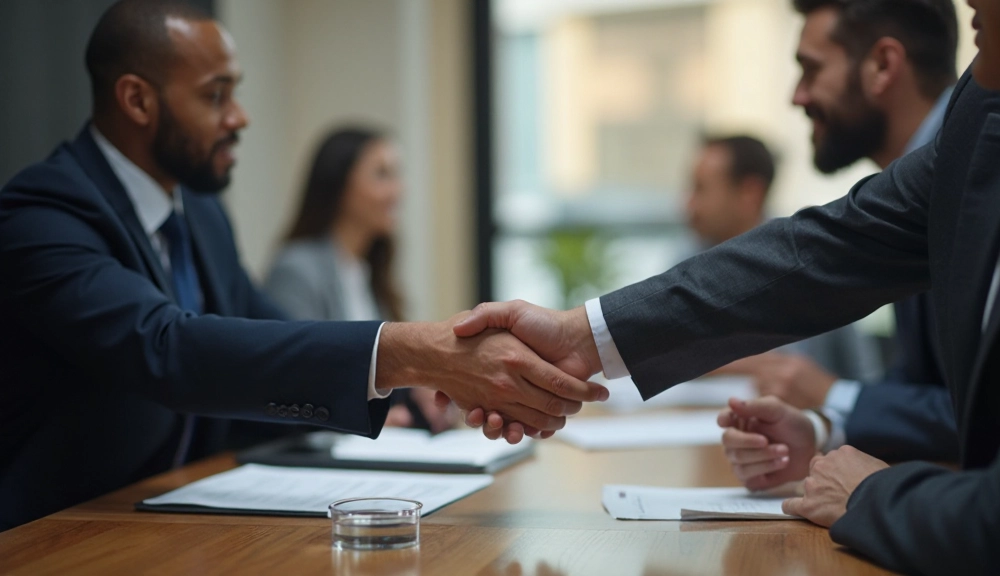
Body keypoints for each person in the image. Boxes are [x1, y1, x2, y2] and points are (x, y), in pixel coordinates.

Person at [448, 0, 1000, 571]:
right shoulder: (983, 107)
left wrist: (869, 493)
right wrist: (582, 335)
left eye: (810, 68)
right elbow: (832, 247)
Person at [0, 0, 607, 531]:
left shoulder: (200, 214)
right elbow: (167, 349)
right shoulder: (41, 214)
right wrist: (417, 350)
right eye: (216, 96)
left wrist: (414, 381)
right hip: (59, 528)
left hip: (177, 512)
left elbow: (268, 335)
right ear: (136, 99)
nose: (239, 117)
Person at [709, 0, 961, 465]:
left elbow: (989, 417)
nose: (797, 97)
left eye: (811, 70)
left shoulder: (974, 172)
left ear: (883, 66)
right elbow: (920, 382)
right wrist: (823, 426)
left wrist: (834, 394)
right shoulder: (920, 180)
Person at [264, 126, 451, 432]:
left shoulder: (367, 272)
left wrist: (419, 389)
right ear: (338, 185)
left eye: (397, 174)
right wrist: (358, 424)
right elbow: (293, 386)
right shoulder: (296, 269)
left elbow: (371, 372)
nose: (398, 190)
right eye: (382, 174)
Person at [685, 135, 884, 388]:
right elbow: (661, 349)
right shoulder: (689, 255)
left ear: (750, 193)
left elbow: (793, 369)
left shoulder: (804, 261)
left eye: (700, 188)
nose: (688, 203)